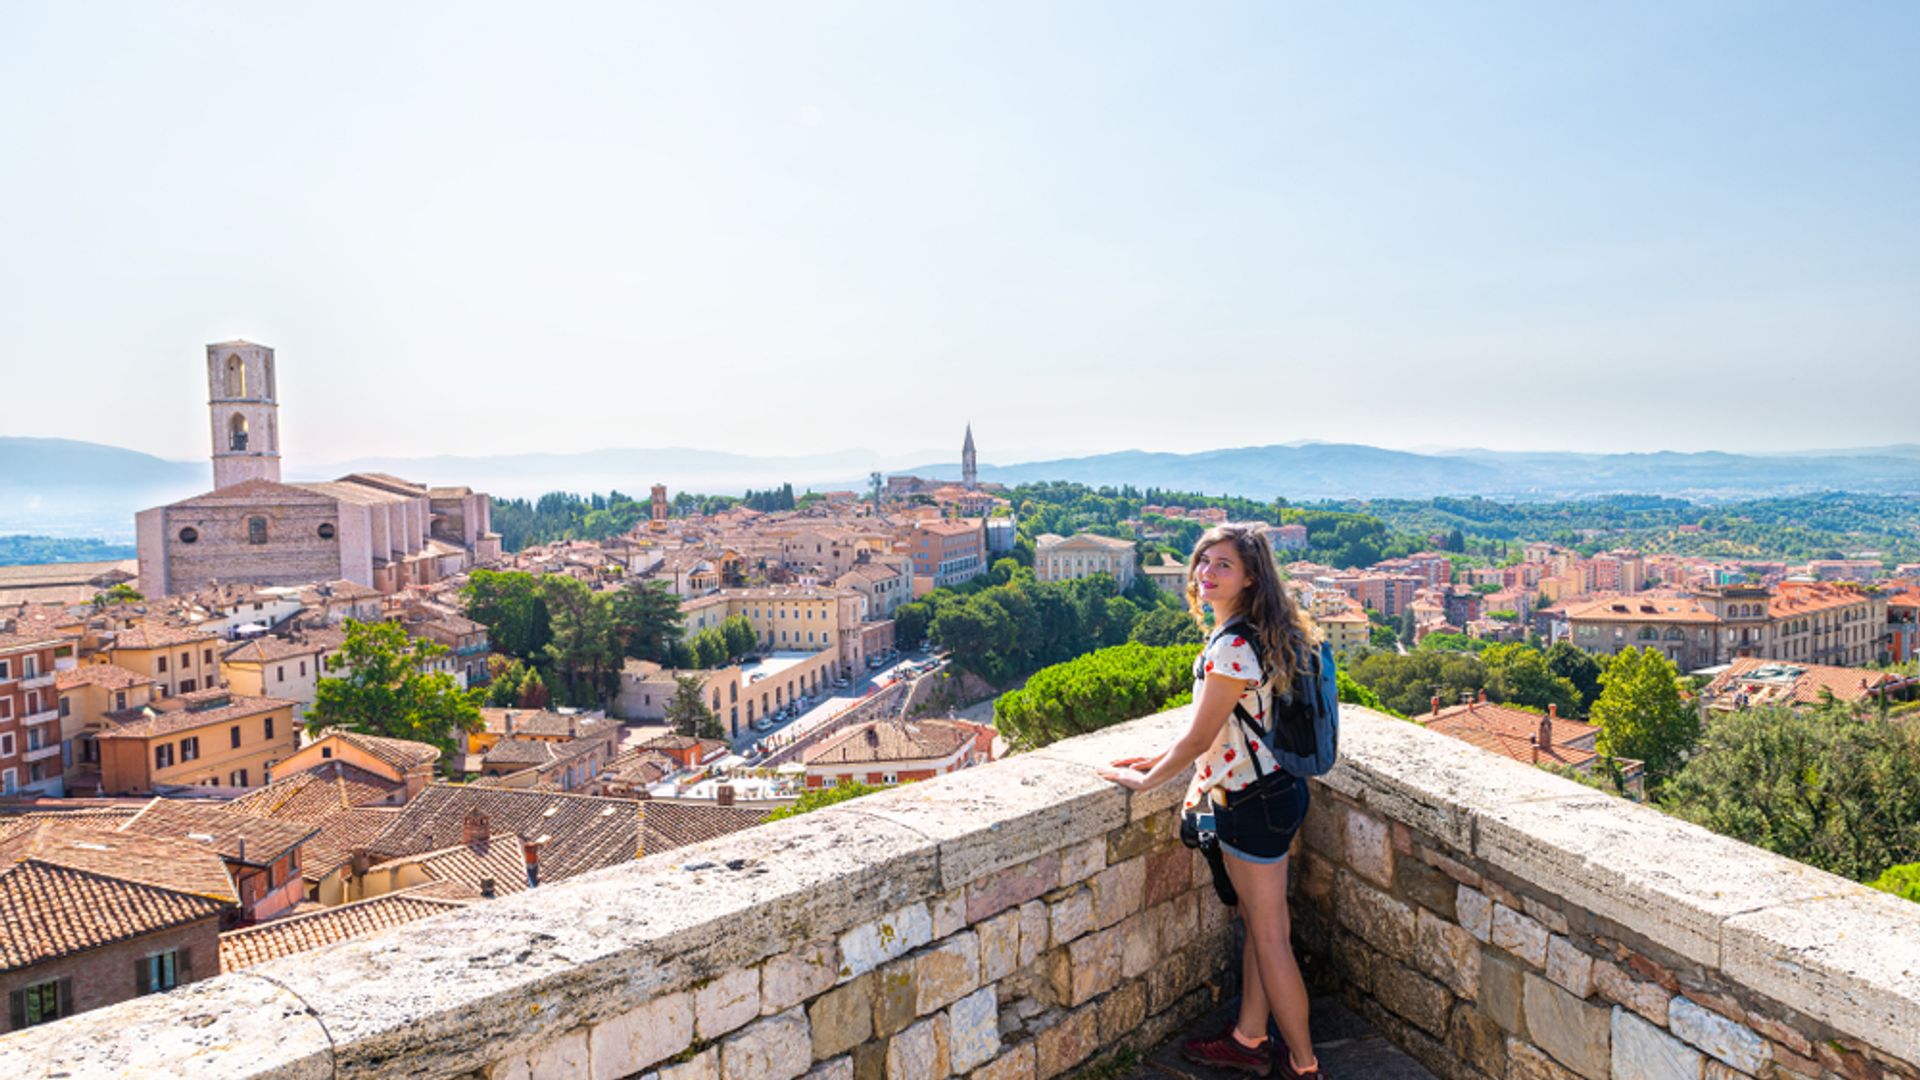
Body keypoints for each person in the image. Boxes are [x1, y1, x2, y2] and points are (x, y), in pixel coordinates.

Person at [1095, 522, 1325, 1078]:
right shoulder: (1263, 631)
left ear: (1250, 578)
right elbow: (1223, 726)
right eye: (1204, 562)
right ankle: (1249, 1038)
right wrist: (1159, 757)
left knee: (1271, 938)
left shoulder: (1233, 646)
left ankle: (1304, 1065)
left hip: (1252, 801)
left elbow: (1201, 739)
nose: (1207, 573)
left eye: (1224, 565)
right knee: (1261, 923)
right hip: (1279, 790)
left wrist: (1150, 782)